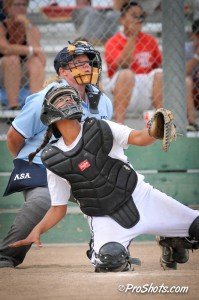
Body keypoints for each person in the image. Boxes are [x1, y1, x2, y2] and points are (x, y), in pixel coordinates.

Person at [9, 85, 199, 273]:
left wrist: (153, 131)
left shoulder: (100, 127)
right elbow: (58, 207)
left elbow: (139, 137)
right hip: (104, 217)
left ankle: (174, 241)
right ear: (50, 113)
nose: (68, 100)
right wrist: (38, 230)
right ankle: (110, 251)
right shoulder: (53, 157)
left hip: (141, 197)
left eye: (70, 98)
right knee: (110, 261)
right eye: (61, 99)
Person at [0, 40, 113, 268]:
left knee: (113, 195)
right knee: (43, 199)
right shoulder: (46, 96)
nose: (86, 67)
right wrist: (27, 163)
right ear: (62, 71)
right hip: (44, 166)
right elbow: (14, 136)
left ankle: (106, 251)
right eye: (78, 63)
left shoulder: (103, 102)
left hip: (80, 169)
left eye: (89, 62)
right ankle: (6, 255)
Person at [104, 1, 199, 131]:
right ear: (122, 19)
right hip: (120, 88)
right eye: (134, 15)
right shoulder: (113, 41)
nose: (138, 19)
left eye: (141, 16)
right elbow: (123, 64)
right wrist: (133, 37)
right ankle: (119, 127)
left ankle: (162, 123)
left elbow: (159, 66)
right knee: (127, 74)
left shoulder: (149, 40)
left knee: (160, 74)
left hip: (146, 89)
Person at [0, 0, 45, 109]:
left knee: (35, 62)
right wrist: (30, 50)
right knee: (12, 59)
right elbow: (5, 49)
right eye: (16, 5)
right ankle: (13, 107)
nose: (21, 8)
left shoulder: (30, 28)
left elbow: (41, 58)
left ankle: (36, 106)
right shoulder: (2, 26)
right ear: (7, 8)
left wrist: (27, 25)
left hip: (24, 74)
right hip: (3, 72)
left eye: (24, 5)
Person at [186, 19, 199, 114]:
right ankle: (191, 119)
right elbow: (181, 73)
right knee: (187, 81)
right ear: (193, 35)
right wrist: (197, 56)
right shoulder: (185, 49)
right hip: (190, 93)